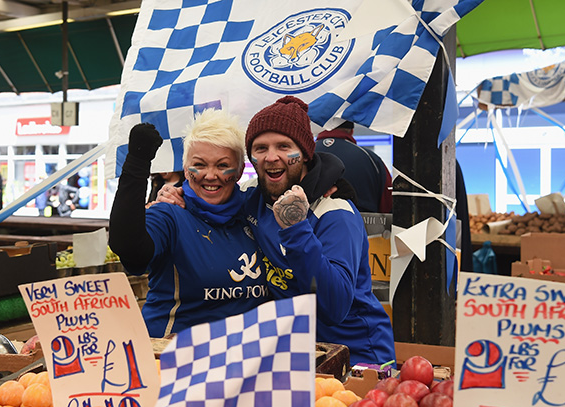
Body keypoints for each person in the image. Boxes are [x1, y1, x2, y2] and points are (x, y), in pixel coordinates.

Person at [159, 97, 395, 366]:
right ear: (252, 158)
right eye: (261, 148)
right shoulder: (251, 197)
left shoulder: (335, 213)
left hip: (357, 357)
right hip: (293, 356)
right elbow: (211, 189)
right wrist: (176, 194)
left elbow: (334, 308)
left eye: (284, 146)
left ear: (305, 153)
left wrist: (296, 229)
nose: (271, 157)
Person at [109, 108, 269, 338]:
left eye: (223, 165)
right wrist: (137, 164)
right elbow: (129, 247)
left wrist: (332, 180)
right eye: (200, 165)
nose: (210, 175)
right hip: (173, 358)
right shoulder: (170, 214)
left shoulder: (256, 209)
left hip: (245, 359)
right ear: (185, 168)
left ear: (240, 170)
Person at [315, 121, 393, 213]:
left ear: (319, 128)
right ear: (351, 131)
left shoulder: (304, 156)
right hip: (362, 225)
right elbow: (389, 204)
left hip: (309, 224)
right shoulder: (372, 160)